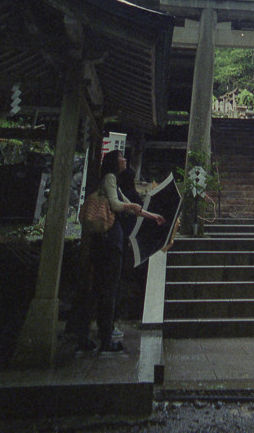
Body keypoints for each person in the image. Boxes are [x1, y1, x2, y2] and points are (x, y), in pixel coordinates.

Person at [78, 149, 164, 353]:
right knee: (108, 287)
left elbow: (131, 206)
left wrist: (154, 217)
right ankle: (104, 338)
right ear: (114, 162)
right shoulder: (109, 178)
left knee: (103, 287)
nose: (125, 159)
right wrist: (134, 206)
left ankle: (94, 335)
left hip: (108, 239)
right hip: (109, 240)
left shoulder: (113, 181)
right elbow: (118, 205)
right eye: (121, 157)